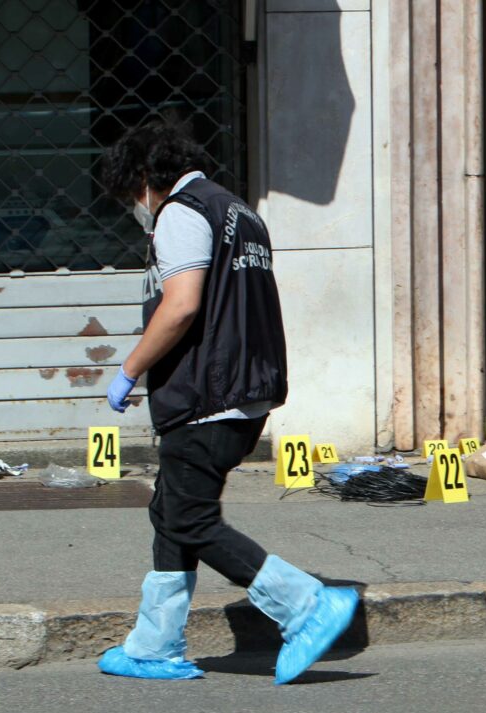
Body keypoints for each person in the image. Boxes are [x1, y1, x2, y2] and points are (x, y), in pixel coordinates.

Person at [95, 120, 357, 684]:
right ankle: (154, 642)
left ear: (145, 176)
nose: (133, 208)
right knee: (171, 512)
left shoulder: (183, 213)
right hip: (240, 389)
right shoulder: (239, 211)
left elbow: (183, 305)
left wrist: (129, 368)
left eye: (129, 194)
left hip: (205, 394)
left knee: (190, 518)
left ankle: (306, 606)